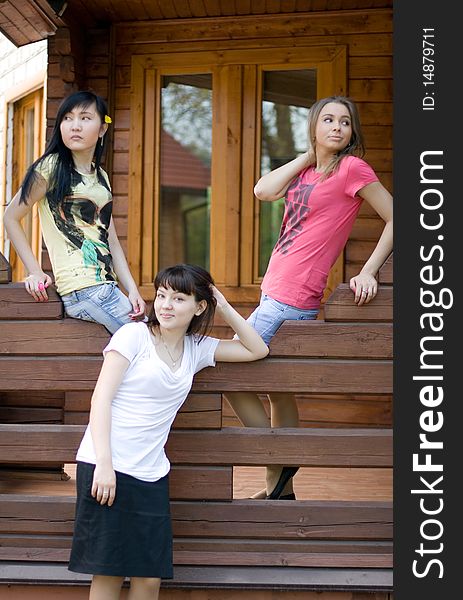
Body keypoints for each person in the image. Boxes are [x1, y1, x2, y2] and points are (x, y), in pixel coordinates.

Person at [225, 95, 393, 500]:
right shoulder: (305, 174)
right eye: (329, 120)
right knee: (279, 388)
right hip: (274, 292)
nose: (337, 127)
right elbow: (262, 190)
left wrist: (368, 270)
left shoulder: (353, 168)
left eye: (346, 122)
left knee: (224, 373)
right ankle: (279, 489)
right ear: (314, 127)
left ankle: (278, 456)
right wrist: (307, 158)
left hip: (293, 297)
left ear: (353, 132)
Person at [68, 263, 269, 599]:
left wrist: (222, 302)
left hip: (151, 474)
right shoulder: (133, 336)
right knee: (109, 574)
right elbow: (100, 400)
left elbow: (256, 349)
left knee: (149, 578)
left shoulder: (197, 348)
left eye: (178, 298)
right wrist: (104, 464)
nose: (165, 305)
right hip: (107, 468)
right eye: (161, 295)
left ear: (199, 306)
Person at [3, 90, 145, 334]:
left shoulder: (101, 177)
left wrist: (131, 288)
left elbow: (109, 239)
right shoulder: (52, 167)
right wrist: (35, 271)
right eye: (67, 118)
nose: (74, 126)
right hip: (82, 289)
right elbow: (10, 217)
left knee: (153, 345)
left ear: (102, 128)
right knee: (151, 342)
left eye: (85, 118)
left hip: (105, 287)